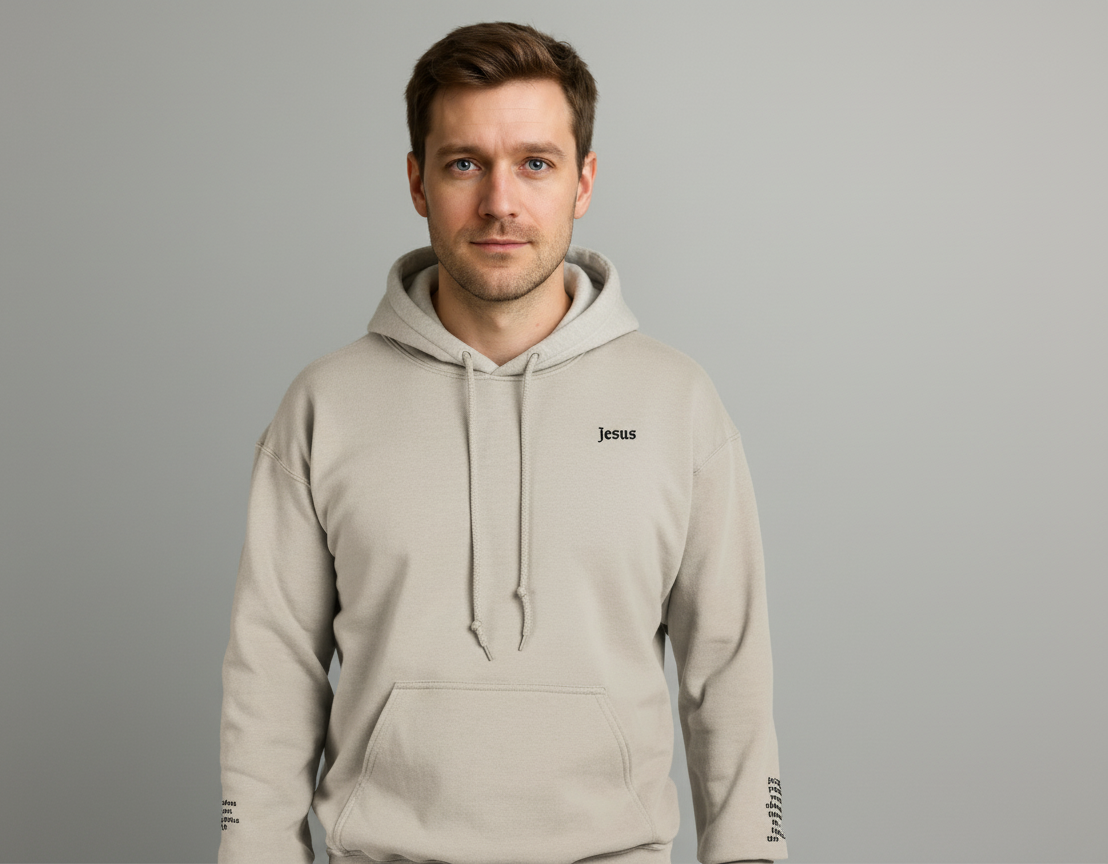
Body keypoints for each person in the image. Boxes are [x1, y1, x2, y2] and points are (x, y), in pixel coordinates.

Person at [219, 21, 787, 864]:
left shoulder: (677, 404)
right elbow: (271, 678)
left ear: (583, 181)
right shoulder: (325, 406)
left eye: (535, 163)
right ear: (417, 182)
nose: (499, 203)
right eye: (464, 164)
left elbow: (730, 678)